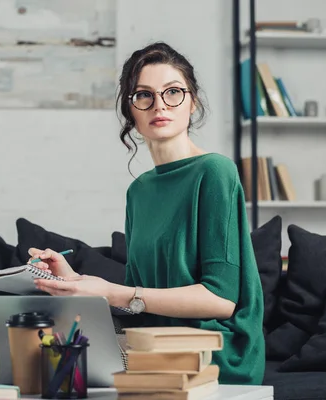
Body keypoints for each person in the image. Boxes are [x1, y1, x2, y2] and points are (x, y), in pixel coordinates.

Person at [29, 41, 265, 385]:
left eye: (173, 92)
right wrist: (73, 281)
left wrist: (111, 291)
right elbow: (140, 302)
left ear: (192, 102)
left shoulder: (215, 172)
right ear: (131, 110)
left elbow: (220, 299)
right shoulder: (139, 191)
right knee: (43, 368)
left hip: (213, 352)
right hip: (153, 345)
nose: (159, 105)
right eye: (144, 95)